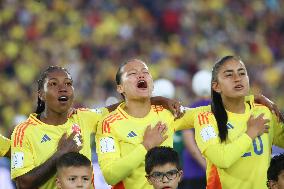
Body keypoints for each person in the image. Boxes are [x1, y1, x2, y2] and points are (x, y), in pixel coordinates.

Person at [10, 65, 178, 189]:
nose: (63, 88)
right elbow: (23, 184)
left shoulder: (83, 117)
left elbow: (125, 104)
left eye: (68, 83)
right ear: (41, 94)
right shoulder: (24, 131)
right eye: (53, 84)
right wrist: (60, 154)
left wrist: (159, 100)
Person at [95, 59, 207, 189]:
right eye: (132, 73)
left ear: (152, 84)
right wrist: (145, 146)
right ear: (120, 88)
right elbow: (110, 175)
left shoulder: (168, 113)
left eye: (145, 72)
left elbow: (207, 112)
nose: (141, 75)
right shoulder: (108, 124)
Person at [178, 55, 284, 189]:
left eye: (242, 73)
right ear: (216, 86)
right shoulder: (206, 118)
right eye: (229, 75)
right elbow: (222, 159)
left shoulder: (264, 111)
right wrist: (250, 133)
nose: (237, 78)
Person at [180, 70, 211, 189]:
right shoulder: (221, 109)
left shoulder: (189, 111)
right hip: (217, 170)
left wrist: (204, 165)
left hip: (193, 172)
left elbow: (190, 145)